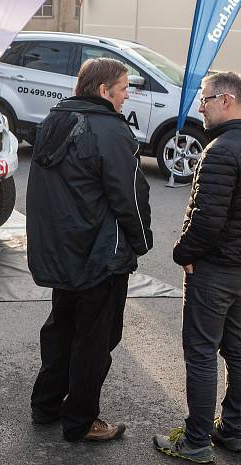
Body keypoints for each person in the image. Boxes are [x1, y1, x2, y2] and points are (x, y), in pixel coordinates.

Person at [153, 71, 241, 463]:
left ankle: (196, 442)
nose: (201, 106)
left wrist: (184, 253)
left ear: (226, 100)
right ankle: (233, 431)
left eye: (206, 99)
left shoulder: (221, 152)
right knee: (236, 346)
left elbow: (206, 219)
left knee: (200, 352)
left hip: (216, 271)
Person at [26, 58, 153, 442]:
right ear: (104, 91)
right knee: (94, 341)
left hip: (62, 252)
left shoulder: (53, 121)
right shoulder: (110, 130)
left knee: (61, 328)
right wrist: (141, 240)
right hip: (99, 256)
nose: (127, 96)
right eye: (124, 88)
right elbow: (130, 195)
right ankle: (81, 421)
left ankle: (45, 406)